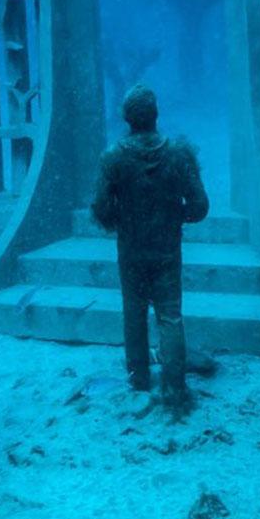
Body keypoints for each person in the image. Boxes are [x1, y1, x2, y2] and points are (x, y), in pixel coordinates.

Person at [91, 82, 209, 412]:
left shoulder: (112, 157)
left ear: (127, 118)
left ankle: (139, 379)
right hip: (167, 249)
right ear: (156, 114)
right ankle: (174, 388)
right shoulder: (179, 153)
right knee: (170, 316)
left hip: (131, 250)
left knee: (134, 313)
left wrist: (124, 220)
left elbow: (100, 209)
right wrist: (174, 216)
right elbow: (200, 206)